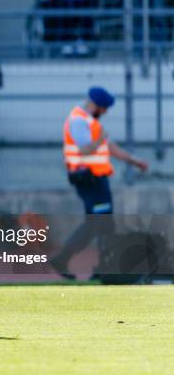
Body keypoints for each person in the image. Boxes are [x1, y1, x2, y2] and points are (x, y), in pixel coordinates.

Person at [51, 86, 148, 277]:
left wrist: (135, 161)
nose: (105, 112)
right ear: (95, 105)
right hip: (90, 180)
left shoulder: (90, 121)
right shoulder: (79, 121)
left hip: (95, 179)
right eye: (103, 108)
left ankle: (90, 265)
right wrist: (101, 139)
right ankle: (98, 267)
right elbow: (86, 149)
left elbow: (111, 148)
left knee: (97, 223)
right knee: (102, 223)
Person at [34, 0, 98, 57]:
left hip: (74, 2)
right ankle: (66, 41)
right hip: (54, 3)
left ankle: (82, 41)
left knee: (86, 6)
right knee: (65, 7)